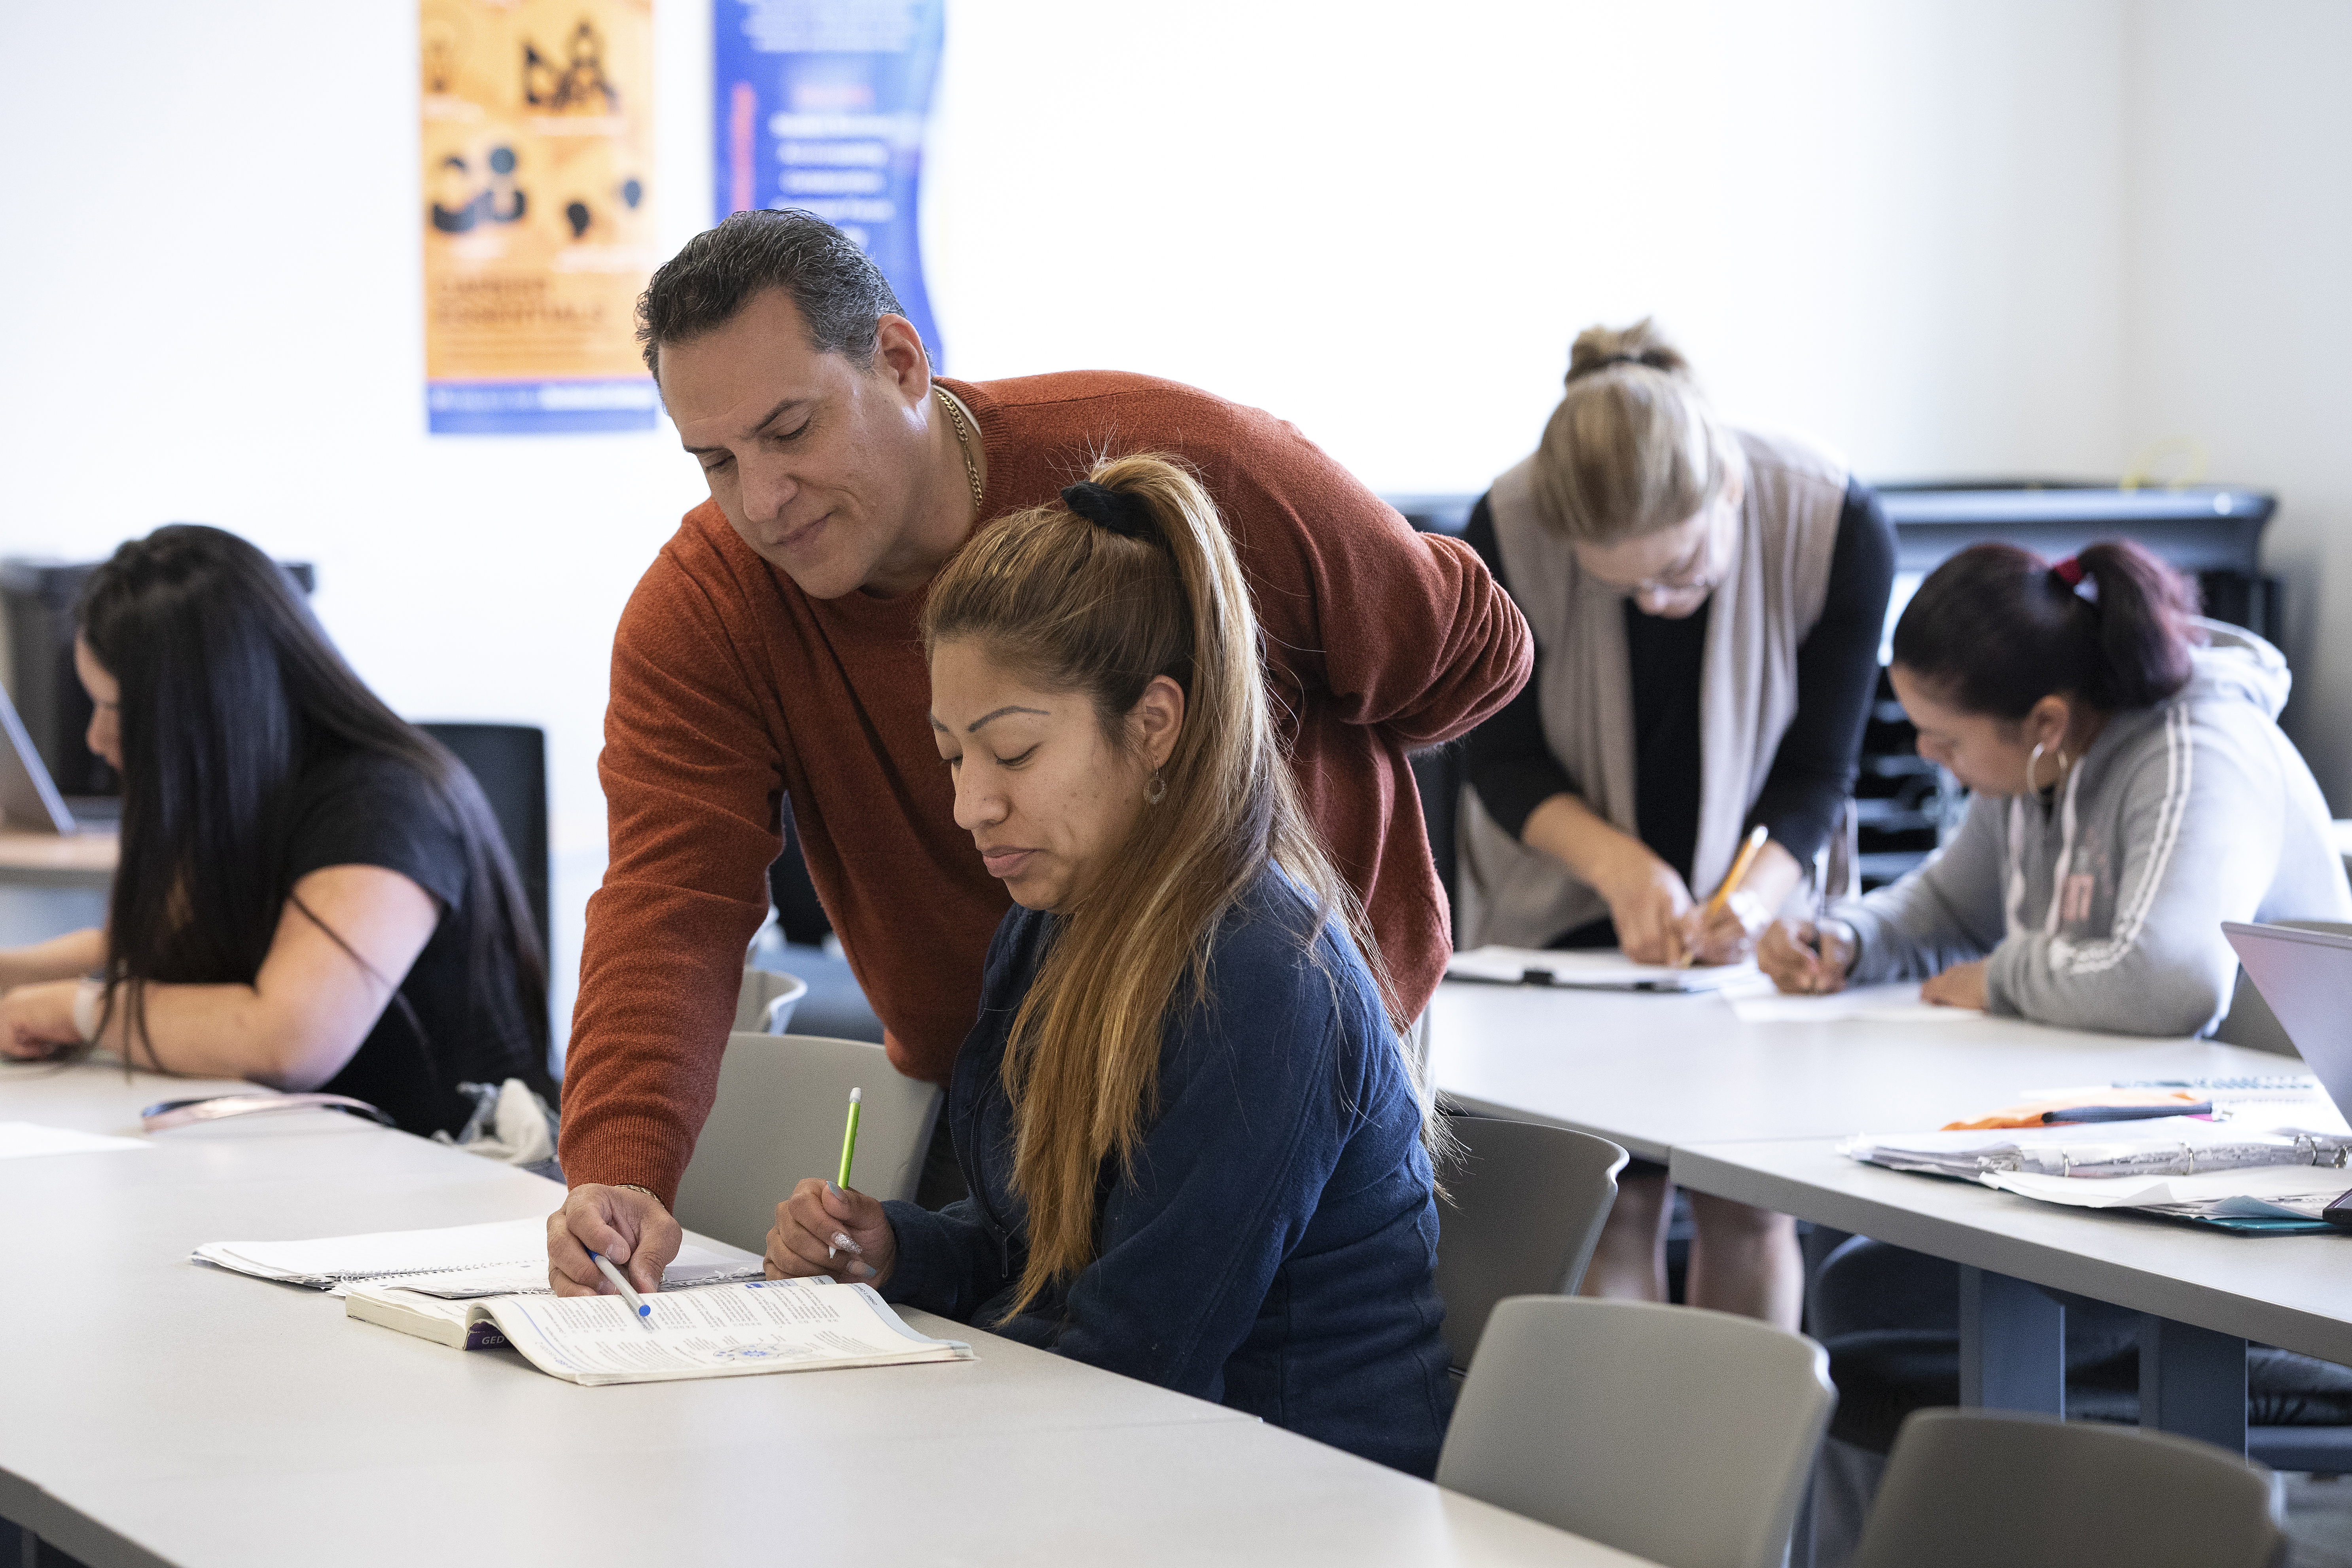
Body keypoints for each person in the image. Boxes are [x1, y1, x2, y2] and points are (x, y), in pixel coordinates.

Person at [547, 209, 1528, 1279]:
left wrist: (1268, 792)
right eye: (716, 461)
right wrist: (619, 1169)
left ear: (900, 360)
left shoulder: (1187, 464)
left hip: (1273, 1038)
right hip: (1002, 1094)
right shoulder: (709, 609)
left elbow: (1470, 651)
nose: (762, 500)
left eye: (790, 431)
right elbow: (669, 901)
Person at [760, 455, 1455, 1475]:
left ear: (1154, 726)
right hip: (1144, 1466)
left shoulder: (1263, 977)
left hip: (1301, 1499)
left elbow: (1136, 1354)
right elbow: (1036, 1250)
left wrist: (900, 1434)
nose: (971, 807)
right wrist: (898, 1248)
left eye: (1014, 753)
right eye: (954, 755)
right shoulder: (1056, 922)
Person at [1456, 320, 1895, 1329]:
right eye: (1621, 583)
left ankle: (1750, 1476)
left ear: (1730, 490)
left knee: (1750, 1203)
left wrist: (1745, 899)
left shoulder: (1833, 519)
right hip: (1563, 908)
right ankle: (1629, 1484)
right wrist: (1625, 874)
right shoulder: (1509, 524)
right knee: (1609, 1202)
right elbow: (1501, 756)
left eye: (1686, 570)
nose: (1658, 602)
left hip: (1762, 908)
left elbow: (1820, 767)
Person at [0, 526, 554, 1137]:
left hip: (451, 1171)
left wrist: (80, 1010)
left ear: (207, 706)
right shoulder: (247, 787)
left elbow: (288, 1039)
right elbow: (162, 939)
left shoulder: (385, 803)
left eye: (115, 710)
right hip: (304, 1155)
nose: (96, 740)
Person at [1759, 539, 2352, 1029]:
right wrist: (1847, 940)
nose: (1923, 752)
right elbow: (1951, 911)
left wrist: (2000, 979)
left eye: (1946, 740)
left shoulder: (2197, 750)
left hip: (2275, 1121)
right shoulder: (2036, 763)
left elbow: (2174, 981)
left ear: (2046, 722)